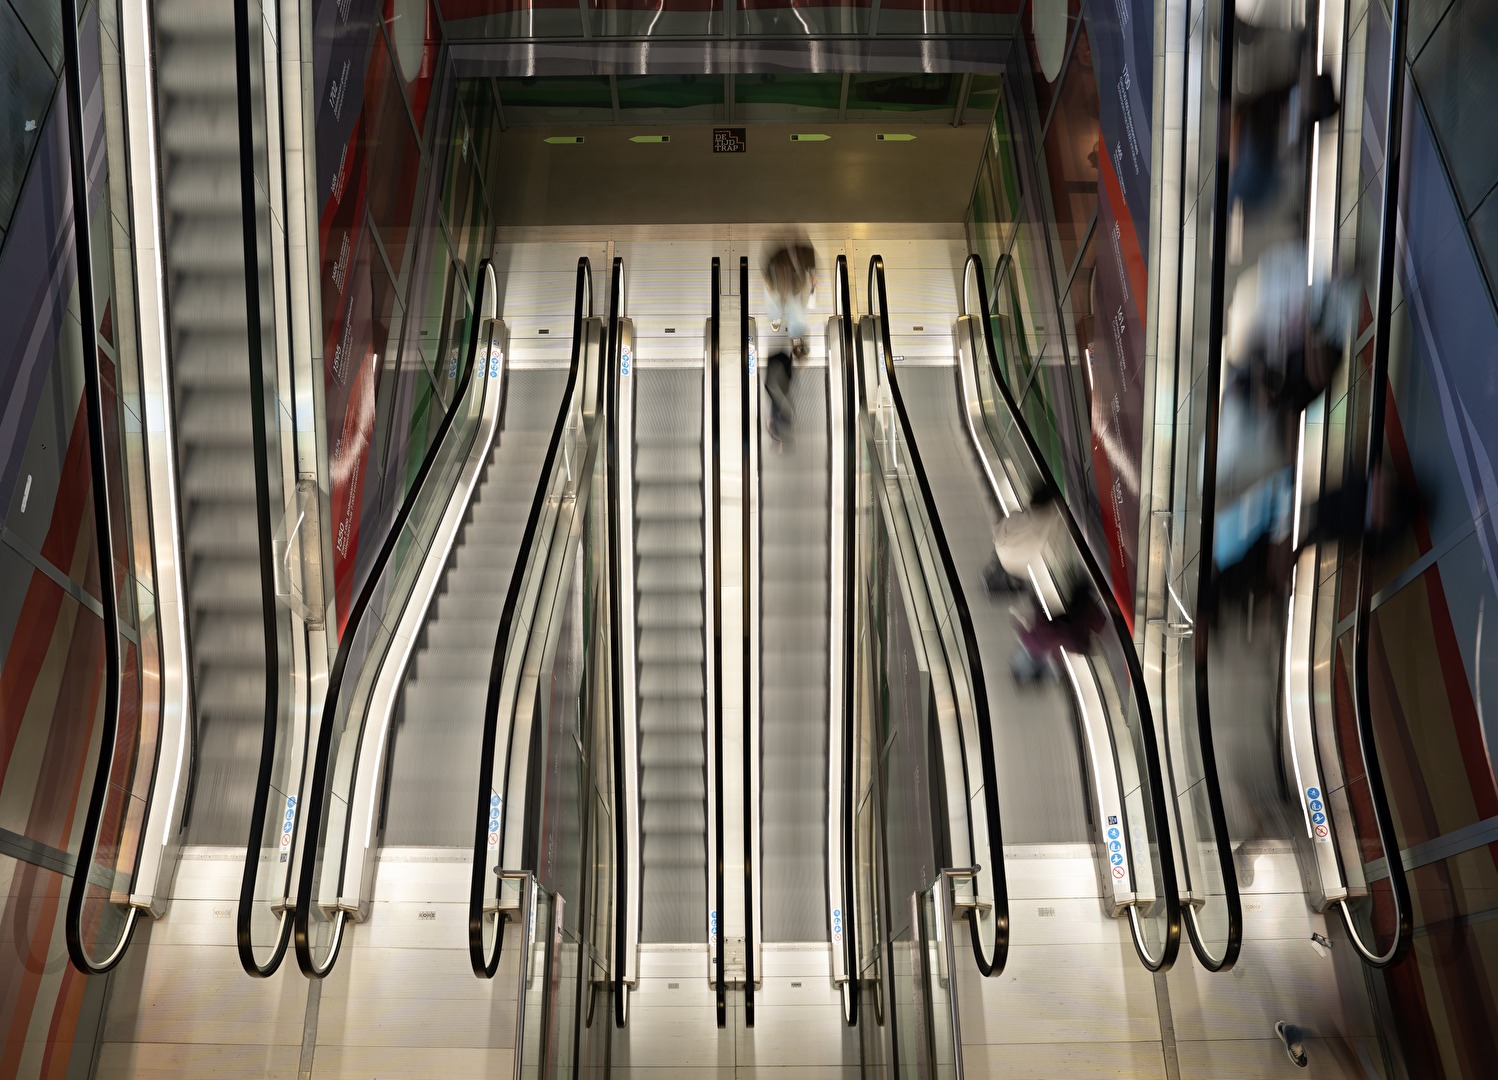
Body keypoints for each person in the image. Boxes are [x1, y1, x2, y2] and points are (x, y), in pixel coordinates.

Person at [762, 238, 817, 444]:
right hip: (781, 286)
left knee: (794, 316)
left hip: (789, 287)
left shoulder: (802, 251)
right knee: (781, 310)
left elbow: (810, 265)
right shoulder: (781, 256)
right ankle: (779, 321)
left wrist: (812, 278)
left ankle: (788, 331)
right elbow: (769, 273)